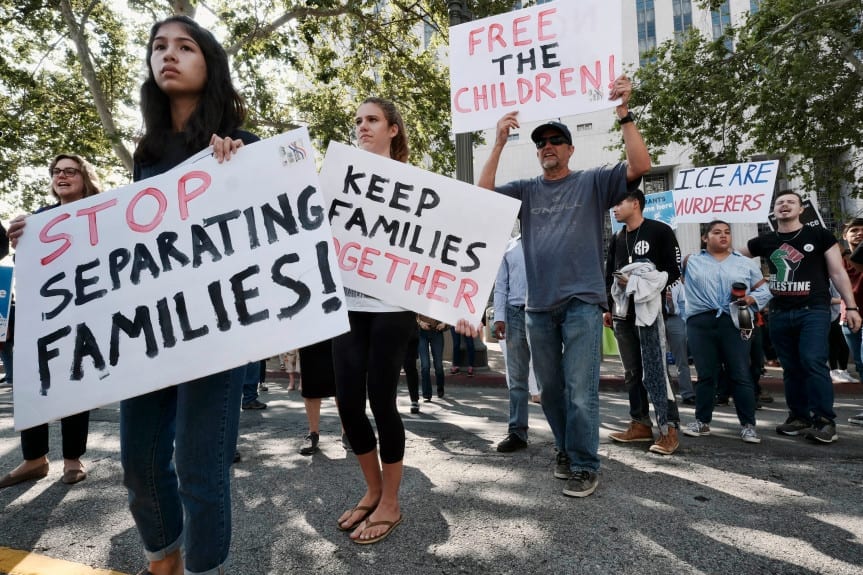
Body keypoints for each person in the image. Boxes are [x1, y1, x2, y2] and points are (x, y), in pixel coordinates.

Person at [118, 16, 259, 575]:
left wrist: (238, 171)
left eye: (184, 46)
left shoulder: (243, 145)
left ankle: (203, 568)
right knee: (139, 462)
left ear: (210, 63)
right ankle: (163, 558)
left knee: (201, 468)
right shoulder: (146, 152)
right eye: (158, 47)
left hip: (215, 334)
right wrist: (46, 239)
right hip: (151, 330)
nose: (168, 55)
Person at [472, 75, 650, 497]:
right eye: (541, 142)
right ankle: (566, 450)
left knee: (579, 390)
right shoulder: (526, 190)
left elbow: (640, 166)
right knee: (549, 389)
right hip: (538, 308)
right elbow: (482, 195)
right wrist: (497, 141)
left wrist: (624, 113)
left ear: (570, 148)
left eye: (556, 140)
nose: (547, 146)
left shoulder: (592, 181)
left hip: (582, 305)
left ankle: (586, 463)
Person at [333, 97, 415, 543]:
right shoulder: (337, 179)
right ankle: (373, 489)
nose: (362, 126)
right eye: (358, 120)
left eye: (372, 120)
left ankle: (391, 503)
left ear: (393, 129)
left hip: (392, 307)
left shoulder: (414, 183)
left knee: (381, 400)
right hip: (348, 305)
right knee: (347, 404)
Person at [0, 153, 100, 489]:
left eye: (70, 171)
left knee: (74, 383)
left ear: (85, 177)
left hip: (83, 310)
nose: (62, 176)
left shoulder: (104, 212)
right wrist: (18, 238)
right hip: (40, 314)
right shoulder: (37, 220)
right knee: (33, 383)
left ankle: (73, 460)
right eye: (56, 171)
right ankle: (34, 459)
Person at [742, 191, 861, 443]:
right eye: (779, 203)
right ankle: (799, 417)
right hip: (779, 312)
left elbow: (838, 273)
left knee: (813, 361)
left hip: (813, 311)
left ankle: (824, 421)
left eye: (790, 202)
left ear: (800, 209)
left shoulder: (819, 235)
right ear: (773, 211)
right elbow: (733, 257)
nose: (784, 206)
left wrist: (851, 307)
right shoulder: (765, 240)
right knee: (791, 368)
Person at [605, 189, 682, 455]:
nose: (613, 208)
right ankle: (639, 423)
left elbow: (674, 270)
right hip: (622, 314)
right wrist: (608, 306)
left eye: (618, 202)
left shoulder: (660, 231)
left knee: (656, 370)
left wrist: (642, 284)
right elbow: (608, 274)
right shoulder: (617, 237)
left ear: (635, 204)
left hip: (649, 313)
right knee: (631, 372)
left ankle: (669, 428)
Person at [680, 220, 771, 444]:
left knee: (740, 371)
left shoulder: (745, 263)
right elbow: (679, 282)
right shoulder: (691, 261)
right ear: (705, 238)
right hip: (701, 320)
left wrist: (751, 298)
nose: (724, 236)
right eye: (717, 232)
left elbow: (765, 290)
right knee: (706, 374)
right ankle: (702, 422)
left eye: (727, 232)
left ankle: (748, 425)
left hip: (737, 317)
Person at [493, 235, 535, 453]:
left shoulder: (549, 239)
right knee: (517, 377)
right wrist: (499, 317)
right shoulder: (508, 246)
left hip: (544, 313)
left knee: (552, 377)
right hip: (515, 313)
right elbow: (501, 284)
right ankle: (517, 432)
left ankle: (563, 437)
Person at [297, 340, 341, 455]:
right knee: (311, 383)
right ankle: (313, 434)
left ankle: (348, 433)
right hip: (311, 331)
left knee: (343, 384)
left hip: (340, 328)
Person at [840, 218, 863, 425]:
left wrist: (844, 253)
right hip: (848, 317)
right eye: (854, 230)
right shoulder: (836, 257)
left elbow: (859, 265)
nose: (859, 233)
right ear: (844, 235)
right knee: (860, 364)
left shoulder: (848, 256)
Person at [665, 280, 695, 404]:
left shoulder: (676, 282)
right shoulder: (652, 277)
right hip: (656, 317)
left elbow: (682, 303)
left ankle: (687, 394)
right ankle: (664, 393)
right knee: (659, 359)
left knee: (682, 359)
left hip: (674, 319)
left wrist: (683, 321)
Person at [417, 314, 448, 405]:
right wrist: (420, 322)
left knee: (438, 365)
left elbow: (449, 311)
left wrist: (444, 324)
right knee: (425, 365)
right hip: (422, 333)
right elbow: (412, 313)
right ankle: (426, 394)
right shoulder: (418, 299)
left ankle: (440, 388)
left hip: (437, 332)